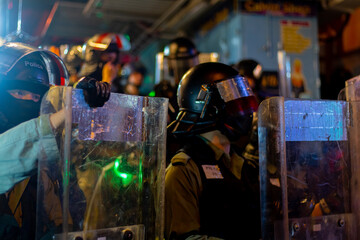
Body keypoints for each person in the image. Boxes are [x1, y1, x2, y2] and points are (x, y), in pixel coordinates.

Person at [0, 42, 110, 239]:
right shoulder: (18, 144)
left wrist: (83, 102)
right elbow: (8, 155)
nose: (31, 101)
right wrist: (67, 113)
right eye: (19, 93)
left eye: (37, 96)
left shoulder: (52, 149)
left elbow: (68, 211)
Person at [165, 62, 260, 240]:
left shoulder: (242, 164)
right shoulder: (183, 171)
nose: (246, 112)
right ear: (210, 108)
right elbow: (184, 237)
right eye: (235, 103)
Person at [154, 37, 199, 122]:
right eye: (178, 63)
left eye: (186, 62)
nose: (182, 67)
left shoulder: (202, 86)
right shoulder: (163, 90)